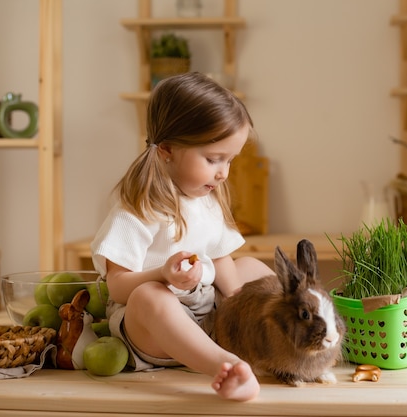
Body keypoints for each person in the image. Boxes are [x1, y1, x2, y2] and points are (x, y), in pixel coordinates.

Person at [91, 72, 274, 401]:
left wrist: (235, 301)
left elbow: (220, 257)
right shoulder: (137, 207)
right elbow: (117, 284)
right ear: (167, 150)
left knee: (250, 267)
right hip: (154, 331)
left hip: (205, 314)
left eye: (230, 160)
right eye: (213, 159)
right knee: (151, 295)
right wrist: (161, 274)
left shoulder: (209, 197)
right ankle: (227, 366)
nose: (224, 173)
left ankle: (283, 337)